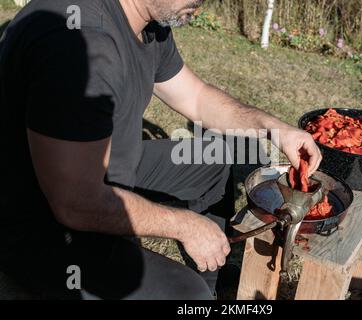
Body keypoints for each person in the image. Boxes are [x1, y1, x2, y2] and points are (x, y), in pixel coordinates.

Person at [0, 0, 322, 300]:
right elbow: (76, 203)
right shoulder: (84, 43)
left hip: (98, 170)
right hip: (40, 224)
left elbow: (196, 98)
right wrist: (184, 225)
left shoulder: (147, 22)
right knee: (185, 294)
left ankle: (210, 272)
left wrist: (276, 129)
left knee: (209, 165)